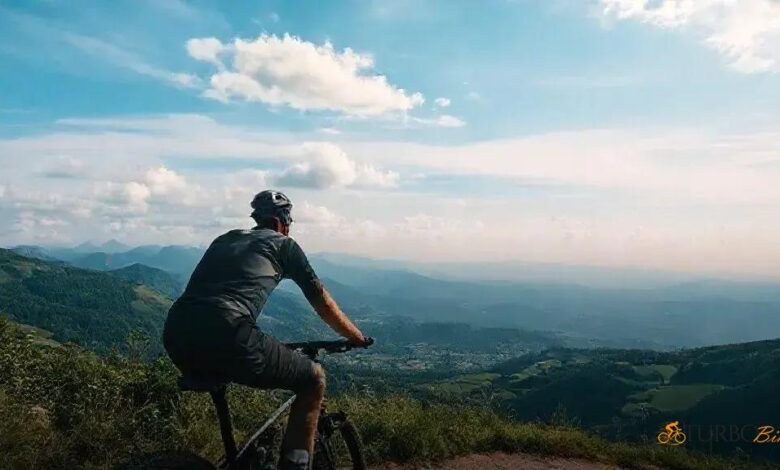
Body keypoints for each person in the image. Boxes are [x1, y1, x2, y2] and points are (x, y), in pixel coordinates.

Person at [163, 189, 370, 470]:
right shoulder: (285, 246)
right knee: (313, 379)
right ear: (278, 222)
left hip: (176, 333)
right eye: (289, 222)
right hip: (231, 333)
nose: (289, 228)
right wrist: (356, 337)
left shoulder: (224, 239)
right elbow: (322, 302)